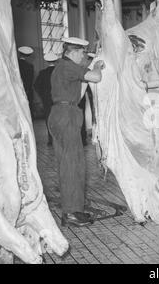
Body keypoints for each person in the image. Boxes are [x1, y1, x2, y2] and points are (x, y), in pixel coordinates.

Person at [48, 37, 105, 227]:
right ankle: (70, 213)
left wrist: (87, 73)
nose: (83, 56)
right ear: (72, 52)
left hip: (66, 112)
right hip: (66, 116)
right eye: (82, 53)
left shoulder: (64, 68)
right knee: (71, 165)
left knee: (75, 164)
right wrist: (97, 66)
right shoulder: (67, 66)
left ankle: (75, 209)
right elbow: (96, 77)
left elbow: (78, 93)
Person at [34, 52, 58, 146]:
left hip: (47, 99)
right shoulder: (59, 72)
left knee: (49, 119)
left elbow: (36, 85)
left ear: (47, 61)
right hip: (58, 98)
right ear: (56, 61)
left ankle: (51, 140)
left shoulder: (42, 73)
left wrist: (42, 95)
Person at [18, 46, 35, 115]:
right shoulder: (30, 66)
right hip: (27, 90)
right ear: (29, 56)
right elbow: (30, 80)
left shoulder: (15, 64)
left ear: (19, 54)